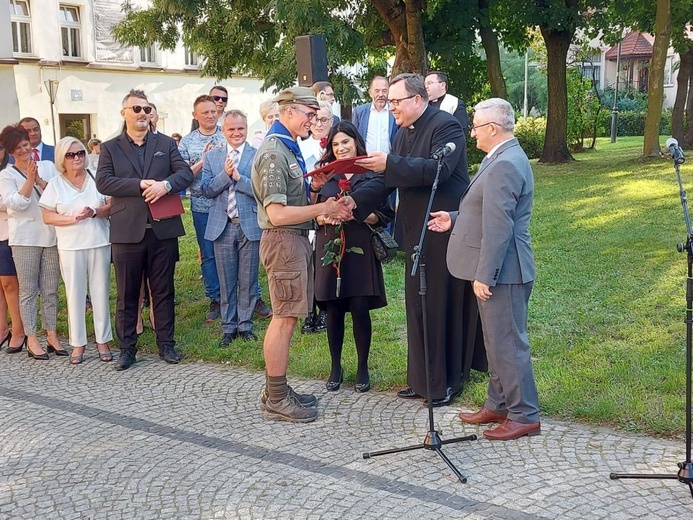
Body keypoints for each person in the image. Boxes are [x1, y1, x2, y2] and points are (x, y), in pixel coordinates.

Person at [347, 73, 486, 407]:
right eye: (389, 101)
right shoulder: (403, 133)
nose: (390, 106)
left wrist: (390, 163)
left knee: (440, 304)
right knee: (417, 304)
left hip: (443, 229)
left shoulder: (446, 126)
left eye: (396, 101)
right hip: (415, 233)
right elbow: (387, 180)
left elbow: (432, 170)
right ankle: (421, 378)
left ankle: (448, 381)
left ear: (418, 100)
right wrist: (353, 202)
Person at [428, 98, 540, 440]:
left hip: (505, 270)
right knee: (495, 341)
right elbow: (486, 210)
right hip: (502, 267)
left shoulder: (506, 162)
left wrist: (484, 274)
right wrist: (455, 218)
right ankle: (499, 403)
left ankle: (524, 414)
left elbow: (499, 225)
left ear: (492, 128)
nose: (471, 132)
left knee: (507, 343)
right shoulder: (501, 158)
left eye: (475, 126)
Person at [251, 86, 352, 422]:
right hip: (283, 240)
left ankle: (276, 390)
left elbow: (291, 204)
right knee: (284, 319)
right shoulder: (274, 153)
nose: (314, 120)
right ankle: (277, 398)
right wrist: (322, 205)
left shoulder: (287, 148)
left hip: (291, 240)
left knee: (288, 316)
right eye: (310, 114)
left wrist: (311, 189)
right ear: (289, 110)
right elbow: (277, 213)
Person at [96, 89, 194, 371]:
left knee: (164, 290)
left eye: (146, 109)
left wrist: (166, 185)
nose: (142, 114)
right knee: (127, 293)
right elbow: (104, 182)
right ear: (124, 113)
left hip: (162, 229)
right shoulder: (110, 147)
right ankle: (127, 349)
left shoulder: (165, 143)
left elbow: (185, 173)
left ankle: (167, 344)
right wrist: (139, 185)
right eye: (136, 109)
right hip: (127, 231)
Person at [314, 121, 394, 393]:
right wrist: (324, 214)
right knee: (334, 309)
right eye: (335, 144)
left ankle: (363, 366)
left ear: (356, 142)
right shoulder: (324, 174)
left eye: (345, 142)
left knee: (359, 306)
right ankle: (335, 366)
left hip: (359, 243)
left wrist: (357, 213)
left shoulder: (371, 173)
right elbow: (309, 208)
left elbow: (384, 215)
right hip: (329, 246)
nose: (341, 148)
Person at [40, 137, 113, 364]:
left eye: (80, 153)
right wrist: (72, 218)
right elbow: (47, 215)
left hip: (99, 240)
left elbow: (111, 206)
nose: (77, 158)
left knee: (100, 292)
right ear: (62, 158)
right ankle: (78, 343)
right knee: (75, 294)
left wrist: (94, 211)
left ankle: (103, 341)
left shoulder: (96, 178)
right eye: (71, 155)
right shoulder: (56, 183)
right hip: (71, 245)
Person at [0, 125, 66, 360]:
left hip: (50, 235)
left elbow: (57, 195)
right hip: (24, 239)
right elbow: (15, 204)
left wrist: (38, 179)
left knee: (50, 290)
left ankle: (51, 335)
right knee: (28, 291)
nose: (24, 150)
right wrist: (28, 180)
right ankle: (31, 338)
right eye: (18, 149)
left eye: (26, 145)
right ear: (11, 152)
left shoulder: (47, 166)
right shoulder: (6, 175)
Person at [201, 110, 261, 347]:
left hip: (249, 225)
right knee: (226, 280)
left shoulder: (257, 156)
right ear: (223, 131)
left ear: (246, 129)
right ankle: (228, 327)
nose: (236, 133)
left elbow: (260, 190)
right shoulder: (213, 158)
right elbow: (205, 190)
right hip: (222, 226)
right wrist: (226, 176)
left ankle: (245, 324)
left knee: (248, 278)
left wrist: (239, 178)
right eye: (231, 129)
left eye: (240, 129)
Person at [179, 95, 227, 322]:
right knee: (208, 254)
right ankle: (215, 298)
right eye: (205, 112)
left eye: (213, 111)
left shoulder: (227, 135)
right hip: (201, 206)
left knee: (233, 252)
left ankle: (241, 296)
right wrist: (203, 160)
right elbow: (183, 178)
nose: (210, 115)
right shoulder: (187, 143)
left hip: (228, 205)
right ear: (195, 115)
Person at [298, 100, 334, 334]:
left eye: (325, 120)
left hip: (331, 211)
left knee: (327, 262)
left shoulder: (339, 145)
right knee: (309, 263)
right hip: (308, 208)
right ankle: (308, 310)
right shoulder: (301, 147)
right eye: (315, 119)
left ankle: (325, 310)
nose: (319, 124)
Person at [0, 142, 25, 353]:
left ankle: (19, 330)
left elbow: (11, 202)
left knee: (9, 283)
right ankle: (2, 329)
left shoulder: (11, 171)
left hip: (8, 232)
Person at [352, 76, 398, 154]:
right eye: (377, 91)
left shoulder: (395, 111)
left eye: (384, 91)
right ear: (370, 93)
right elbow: (353, 137)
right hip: (365, 161)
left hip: (389, 162)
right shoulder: (359, 112)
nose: (381, 94)